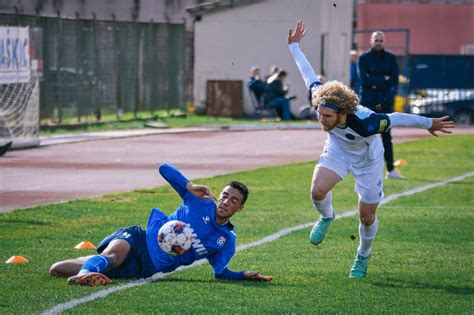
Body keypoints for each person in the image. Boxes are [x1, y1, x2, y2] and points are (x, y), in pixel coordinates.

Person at [287, 20, 454, 278]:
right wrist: (295, 46)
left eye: (327, 117)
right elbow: (308, 75)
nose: (322, 120)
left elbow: (397, 117)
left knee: (366, 216)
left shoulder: (367, 123)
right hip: (338, 151)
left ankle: (362, 257)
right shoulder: (321, 98)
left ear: (342, 113)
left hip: (368, 160)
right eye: (319, 114)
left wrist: (429, 123)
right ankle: (327, 216)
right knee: (317, 191)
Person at [49, 163, 272, 286]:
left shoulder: (226, 242)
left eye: (234, 200)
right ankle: (86, 275)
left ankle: (89, 268)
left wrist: (242, 275)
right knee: (113, 258)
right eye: (224, 195)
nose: (225, 201)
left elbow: (220, 274)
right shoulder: (199, 202)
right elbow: (164, 168)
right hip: (140, 239)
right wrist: (188, 184)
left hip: (146, 268)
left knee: (57, 269)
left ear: (239, 208)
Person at [358, 31, 402, 179]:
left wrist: (375, 80)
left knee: (386, 136)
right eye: (376, 40)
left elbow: (394, 79)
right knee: (365, 135)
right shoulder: (363, 58)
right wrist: (384, 78)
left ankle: (391, 170)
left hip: (384, 100)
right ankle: (363, 171)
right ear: (371, 41)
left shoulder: (390, 58)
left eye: (381, 41)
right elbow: (364, 80)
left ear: (384, 42)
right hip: (368, 101)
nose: (378, 43)